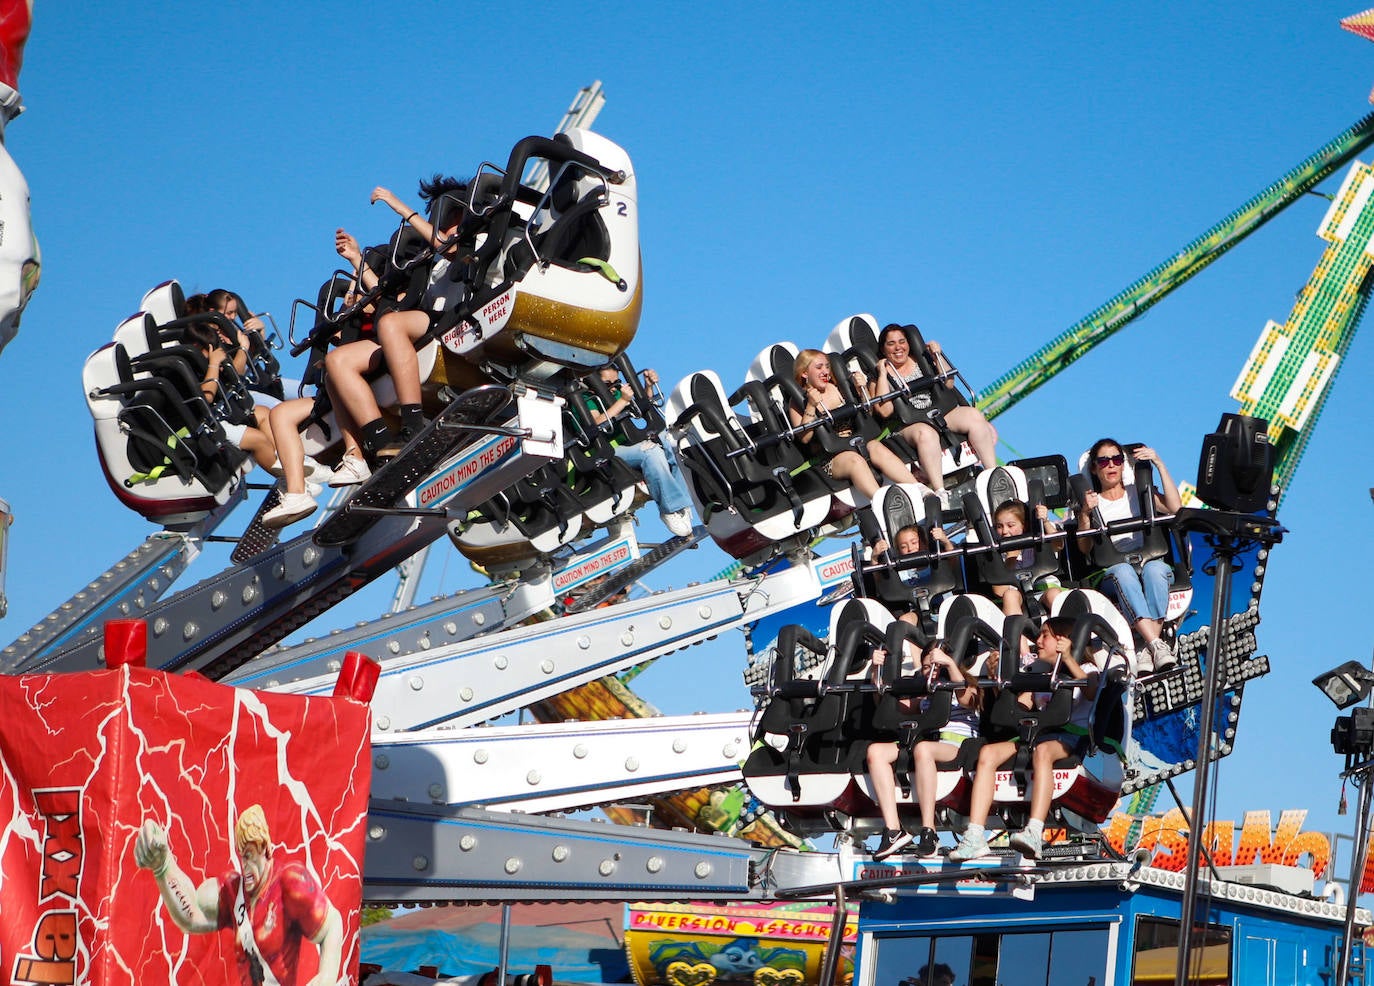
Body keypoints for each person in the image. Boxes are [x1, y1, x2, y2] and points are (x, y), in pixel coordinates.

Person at [325, 175, 473, 463]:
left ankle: (413, 423)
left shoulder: (473, 237)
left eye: (450, 216)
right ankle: (382, 443)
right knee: (338, 360)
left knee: (391, 324)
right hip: (425, 325)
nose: (443, 226)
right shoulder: (431, 260)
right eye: (440, 219)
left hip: (460, 320)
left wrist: (397, 205)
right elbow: (394, 305)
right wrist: (357, 260)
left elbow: (450, 247)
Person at [134, 804, 344, 986]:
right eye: (243, 857)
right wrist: (163, 866)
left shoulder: (290, 881)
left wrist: (327, 975)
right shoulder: (233, 891)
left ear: (266, 850)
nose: (246, 866)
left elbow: (332, 922)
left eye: (251, 855)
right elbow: (193, 915)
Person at [948, 616, 1098, 861]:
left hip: (1071, 738)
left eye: (1045, 636)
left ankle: (1034, 831)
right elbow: (1018, 708)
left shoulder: (1087, 670)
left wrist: (1069, 658)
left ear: (1063, 640)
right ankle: (975, 835)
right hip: (1039, 736)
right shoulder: (1040, 675)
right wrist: (998, 681)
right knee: (987, 754)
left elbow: (1091, 691)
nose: (1038, 641)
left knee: (1043, 752)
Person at [261, 229, 379, 529]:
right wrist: (346, 311)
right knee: (281, 413)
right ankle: (297, 493)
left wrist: (357, 261)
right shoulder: (354, 305)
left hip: (370, 367)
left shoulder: (385, 302)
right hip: (339, 382)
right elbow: (339, 336)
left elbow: (388, 301)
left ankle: (356, 455)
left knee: (334, 368)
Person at [866, 640, 981, 859]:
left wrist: (949, 665)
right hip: (925, 744)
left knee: (923, 750)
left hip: (957, 745)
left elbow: (967, 700)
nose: (931, 672)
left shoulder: (965, 682)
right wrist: (876, 673)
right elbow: (891, 705)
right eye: (927, 667)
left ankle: (929, 831)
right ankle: (893, 830)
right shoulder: (924, 693)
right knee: (876, 752)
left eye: (936, 666)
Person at [1076, 438, 1182, 673]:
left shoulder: (1140, 492)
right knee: (1124, 572)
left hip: (1149, 564)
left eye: (1116, 459)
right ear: (1094, 468)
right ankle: (1157, 643)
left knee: (1155, 570)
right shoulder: (1092, 503)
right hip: (1115, 571)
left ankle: (1145, 644)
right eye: (1103, 461)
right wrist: (1085, 514)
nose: (1111, 465)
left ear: (1124, 465)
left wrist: (1160, 465)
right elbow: (1083, 548)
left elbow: (1175, 508)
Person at [868, 324, 997, 502]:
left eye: (902, 341)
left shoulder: (922, 359)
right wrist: (882, 373)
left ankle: (993, 474)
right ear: (883, 349)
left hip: (938, 412)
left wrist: (937, 355)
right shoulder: (878, 375)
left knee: (974, 416)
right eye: (891, 344)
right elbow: (884, 410)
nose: (898, 347)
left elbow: (948, 384)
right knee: (926, 433)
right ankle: (939, 491)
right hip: (910, 423)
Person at [789, 349, 926, 500]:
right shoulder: (798, 400)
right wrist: (811, 406)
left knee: (876, 447)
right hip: (832, 456)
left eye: (827, 366)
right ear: (804, 373)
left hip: (858, 441)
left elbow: (868, 413)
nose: (825, 371)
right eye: (819, 367)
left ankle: (920, 490)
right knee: (856, 461)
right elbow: (804, 438)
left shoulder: (837, 386)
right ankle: (883, 503)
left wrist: (862, 390)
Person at [585, 364, 695, 537]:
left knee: (670, 441)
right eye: (607, 384)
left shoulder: (618, 394)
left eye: (616, 382)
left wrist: (648, 386)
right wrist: (622, 401)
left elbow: (638, 411)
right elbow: (596, 422)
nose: (613, 387)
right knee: (651, 452)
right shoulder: (588, 399)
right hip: (608, 451)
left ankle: (682, 503)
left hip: (631, 443)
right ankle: (670, 509)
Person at [871, 522, 957, 626]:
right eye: (903, 547)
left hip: (945, 608)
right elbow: (880, 582)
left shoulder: (936, 565)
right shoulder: (899, 574)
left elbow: (953, 562)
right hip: (918, 613)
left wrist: (945, 541)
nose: (910, 549)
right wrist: (874, 557)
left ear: (924, 544)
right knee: (905, 620)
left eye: (914, 542)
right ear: (898, 551)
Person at [989, 499, 1062, 616]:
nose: (1004, 531)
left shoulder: (1039, 537)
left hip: (1045, 588)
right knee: (1010, 596)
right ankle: (1016, 632)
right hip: (1019, 596)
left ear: (1024, 525)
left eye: (1010, 525)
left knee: (1053, 594)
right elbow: (1000, 591)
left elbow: (1058, 545)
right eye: (999, 526)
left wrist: (1046, 521)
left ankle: (1066, 629)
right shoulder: (997, 551)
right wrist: (1011, 557)